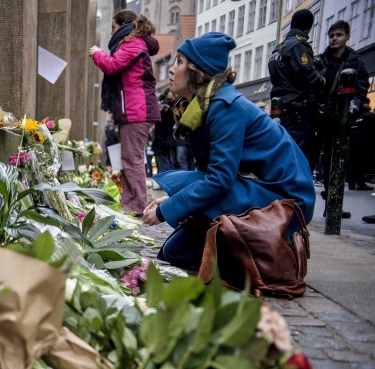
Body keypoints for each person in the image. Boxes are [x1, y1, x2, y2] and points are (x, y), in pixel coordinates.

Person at [142, 32, 316, 270]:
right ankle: (240, 251)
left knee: (183, 251)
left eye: (179, 62)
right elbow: (213, 174)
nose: (171, 70)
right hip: (257, 189)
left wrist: (165, 211)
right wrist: (173, 200)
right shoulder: (205, 105)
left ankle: (259, 252)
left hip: (285, 202)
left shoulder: (225, 107)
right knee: (176, 251)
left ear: (197, 72)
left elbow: (219, 179)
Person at [90, 10, 161, 215]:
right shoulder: (135, 43)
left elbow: (112, 65)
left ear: (123, 25)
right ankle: (130, 203)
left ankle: (137, 206)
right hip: (134, 110)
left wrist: (97, 53)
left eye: (113, 27)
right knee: (131, 159)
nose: (112, 32)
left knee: (132, 160)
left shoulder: (133, 43)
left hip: (135, 110)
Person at [315, 20, 372, 192]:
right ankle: (325, 197)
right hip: (323, 113)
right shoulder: (322, 62)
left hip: (343, 116)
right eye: (331, 36)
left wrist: (352, 109)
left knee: (337, 157)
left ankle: (333, 200)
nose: (334, 39)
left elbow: (361, 88)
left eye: (339, 35)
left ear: (347, 36)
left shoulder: (356, 62)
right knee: (318, 156)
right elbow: (316, 86)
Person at [268, 9, 326, 170]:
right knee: (297, 153)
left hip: (280, 106)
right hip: (297, 108)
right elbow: (309, 77)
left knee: (281, 149)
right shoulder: (298, 46)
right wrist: (322, 78)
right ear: (309, 27)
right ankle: (295, 191)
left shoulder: (278, 48)